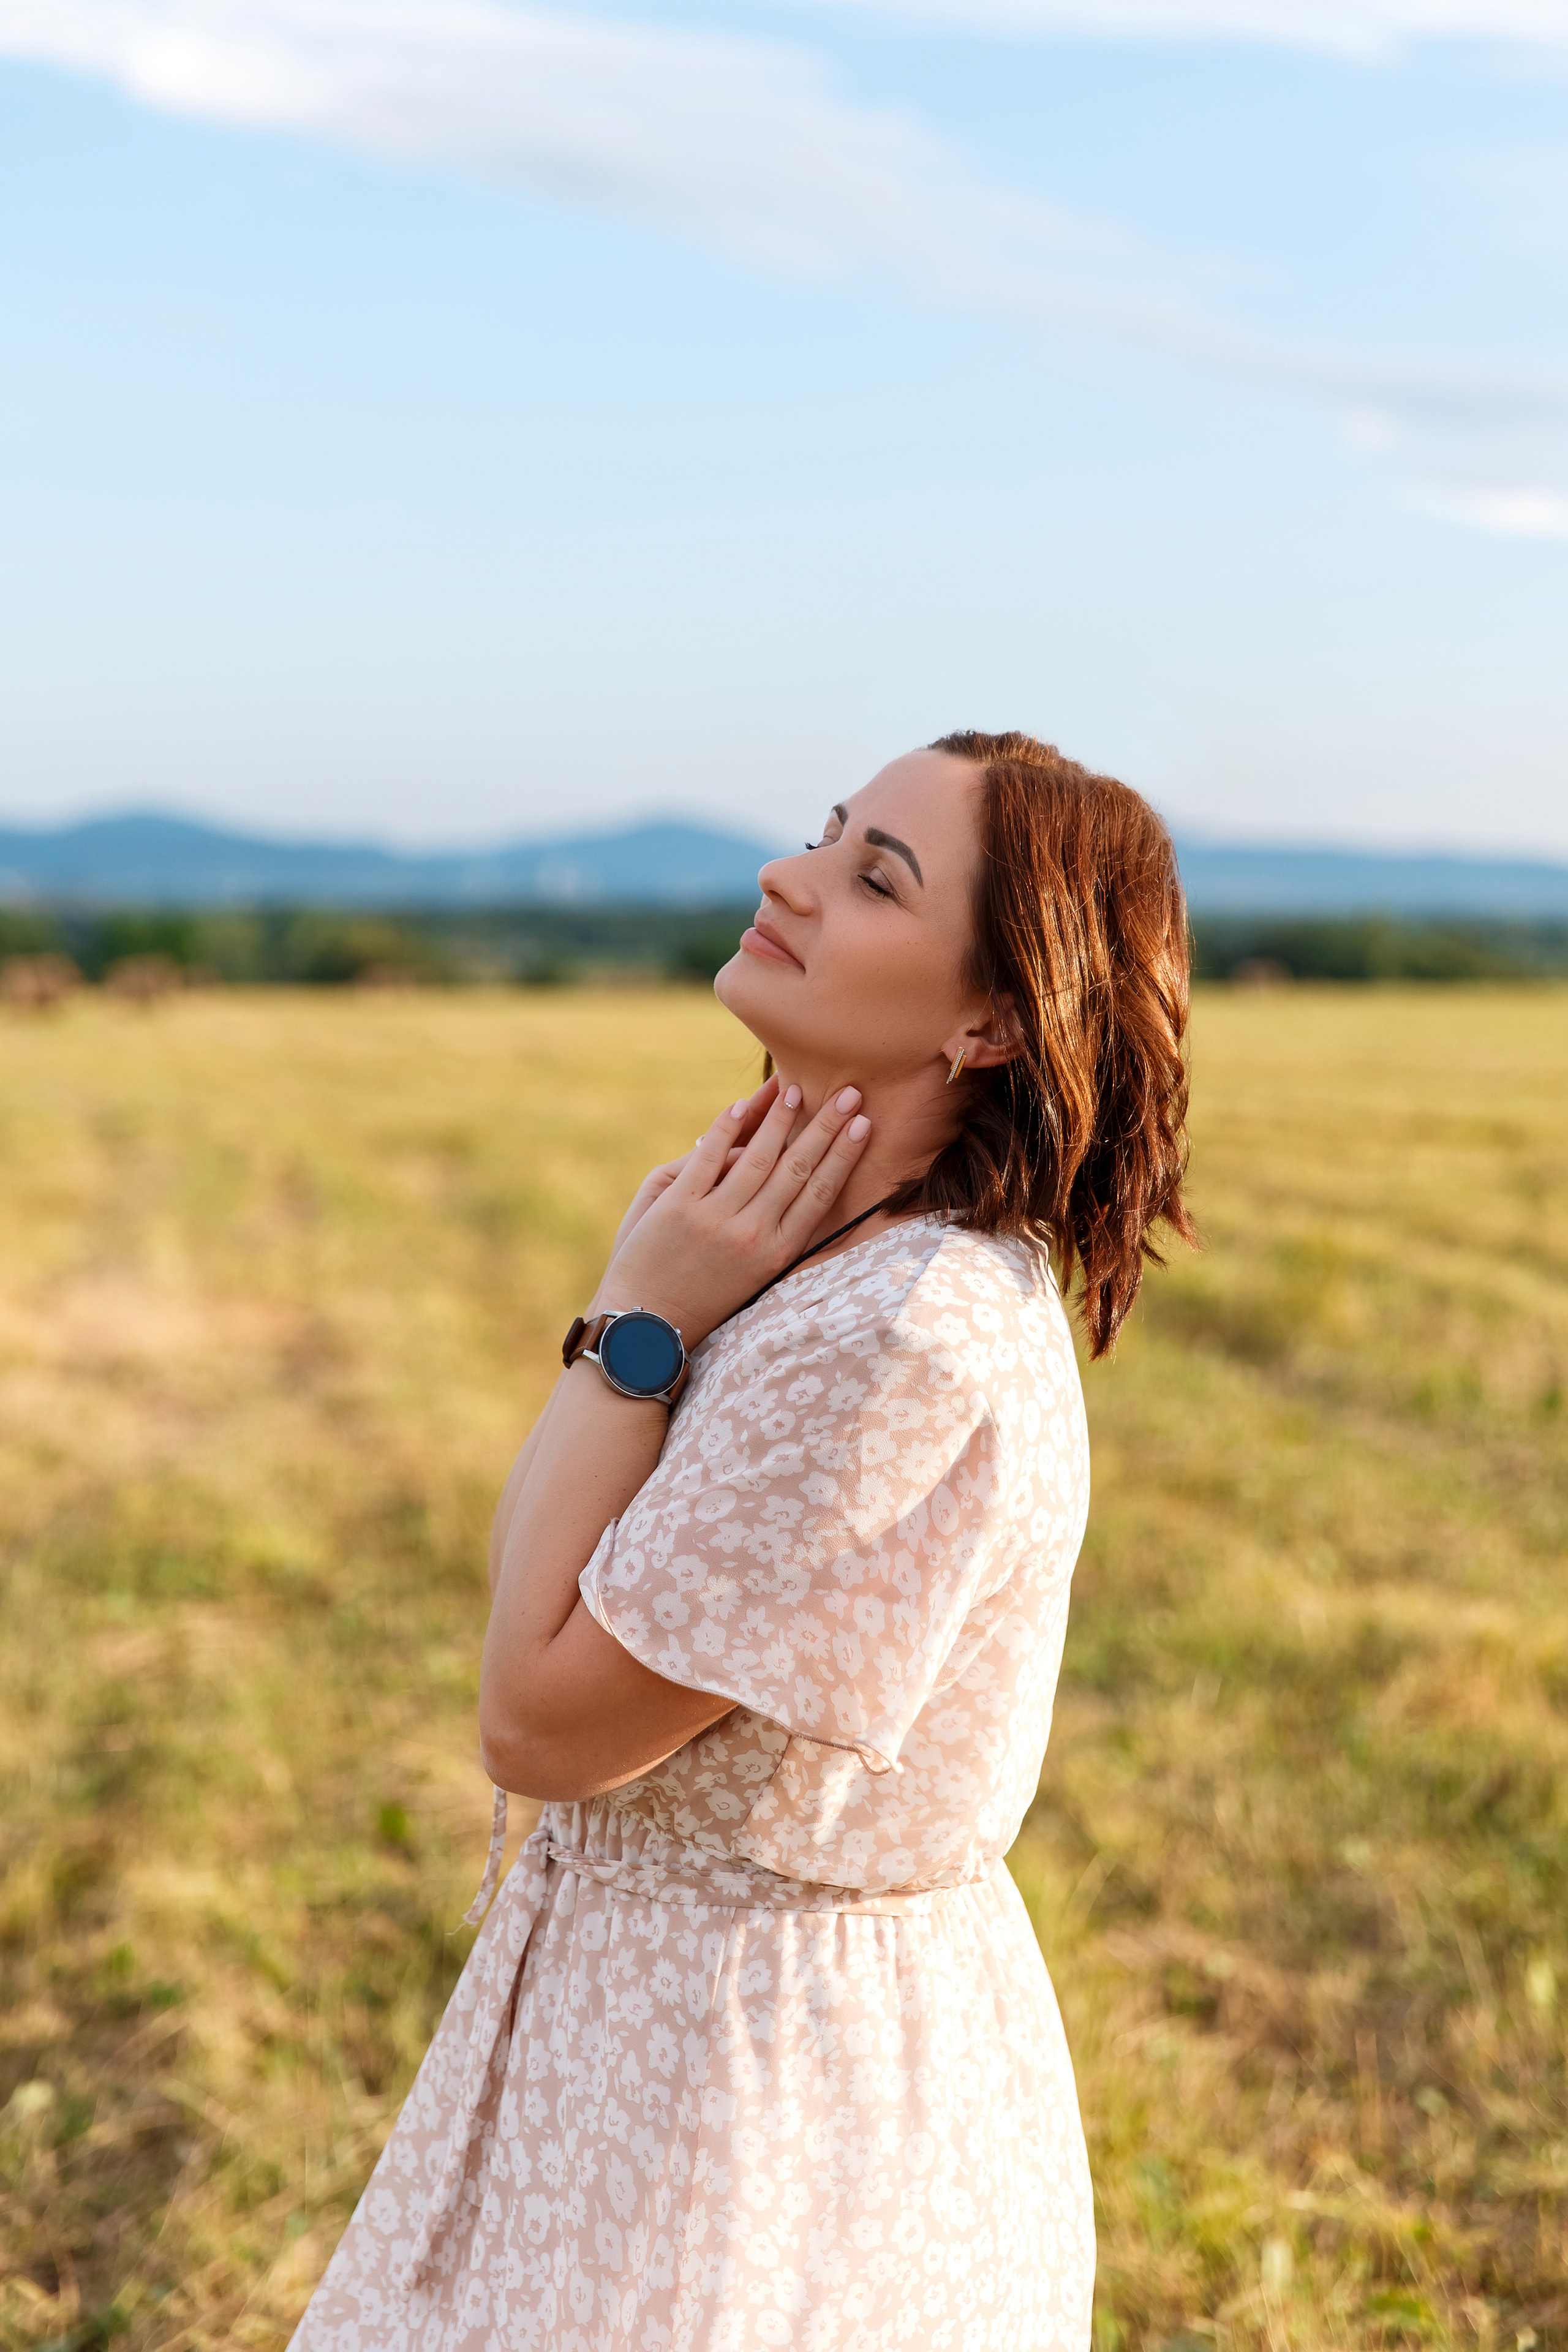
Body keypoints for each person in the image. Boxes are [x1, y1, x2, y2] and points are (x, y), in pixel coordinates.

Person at [290, 728, 1194, 2352]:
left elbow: (540, 1721)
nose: (791, 875)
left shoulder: (896, 1339)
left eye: (875, 876)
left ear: (991, 1018)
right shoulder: (795, 1265)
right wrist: (653, 1306)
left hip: (739, 2116)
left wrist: (637, 1325)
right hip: (673, 2046)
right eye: (827, 834)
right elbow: (539, 1586)